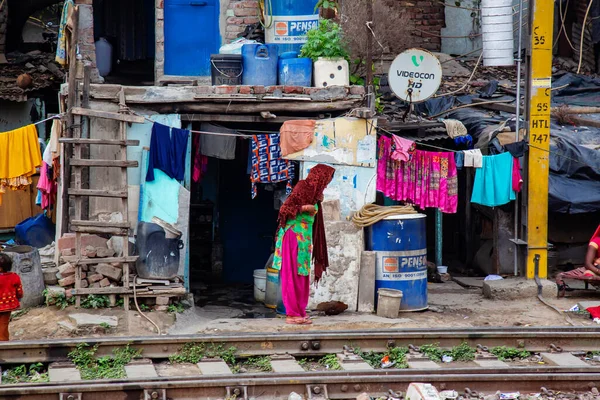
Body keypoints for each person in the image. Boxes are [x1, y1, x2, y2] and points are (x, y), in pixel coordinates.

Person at [272, 164, 335, 325]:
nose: (327, 184)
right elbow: (284, 210)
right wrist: (304, 208)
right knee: (291, 274)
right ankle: (291, 314)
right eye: (326, 180)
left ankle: (300, 311)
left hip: (304, 240)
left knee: (302, 275)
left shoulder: (316, 195)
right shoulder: (303, 186)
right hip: (293, 235)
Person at [556, 224, 600, 297]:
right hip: (595, 268)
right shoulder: (596, 242)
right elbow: (588, 264)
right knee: (561, 275)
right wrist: (598, 270)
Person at [0, 253, 24, 341]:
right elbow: (19, 291)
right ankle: (3, 342)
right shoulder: (14, 277)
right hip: (8, 306)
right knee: (3, 324)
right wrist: (19, 297)